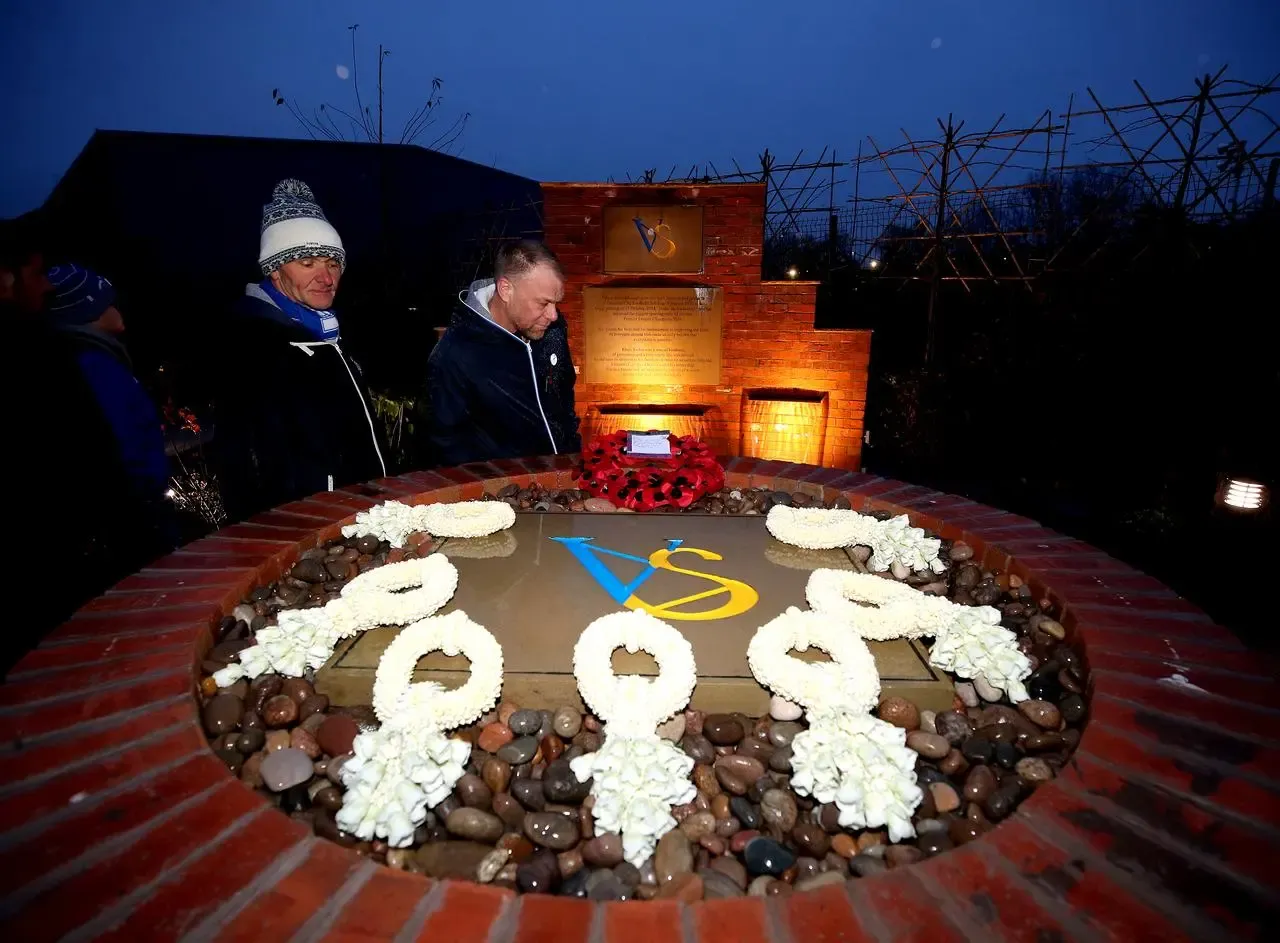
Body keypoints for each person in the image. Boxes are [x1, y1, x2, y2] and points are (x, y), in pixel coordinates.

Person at [209, 179, 387, 522]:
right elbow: (240, 466)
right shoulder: (254, 347)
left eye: (333, 264)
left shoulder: (328, 337)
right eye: (308, 263)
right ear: (274, 269)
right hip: (310, 530)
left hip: (361, 517)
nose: (326, 277)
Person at [427, 240, 581, 466]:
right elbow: (446, 446)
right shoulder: (455, 353)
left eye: (556, 303)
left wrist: (572, 460)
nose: (553, 315)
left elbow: (564, 404)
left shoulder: (552, 331)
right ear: (506, 289)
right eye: (543, 303)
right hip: (503, 494)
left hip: (562, 483)